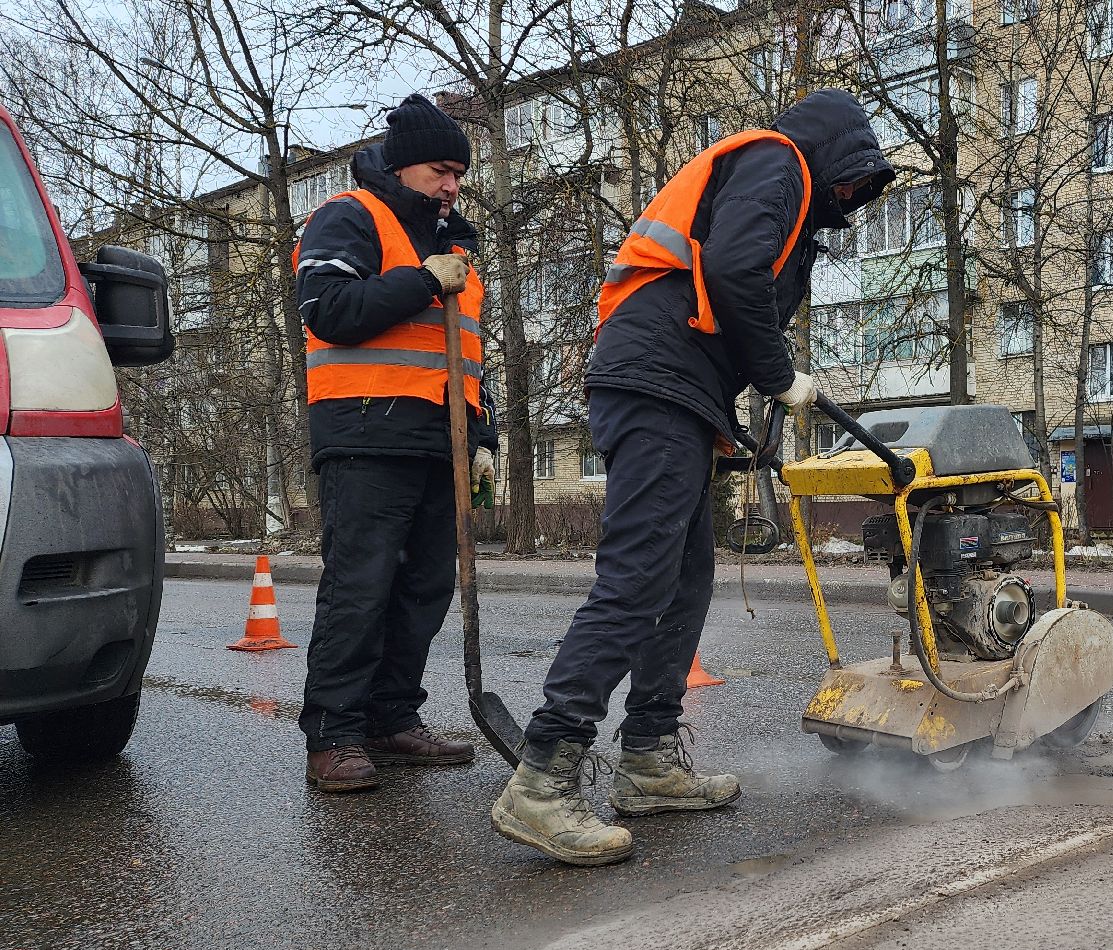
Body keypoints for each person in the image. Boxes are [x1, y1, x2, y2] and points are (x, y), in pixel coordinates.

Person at [490, 89, 895, 865]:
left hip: (676, 385)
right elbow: (735, 267)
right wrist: (779, 376)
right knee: (638, 576)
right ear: (839, 153)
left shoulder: (785, 189)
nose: (848, 201)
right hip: (655, 380)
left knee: (683, 580)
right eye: (852, 184)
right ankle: (542, 779)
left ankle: (646, 757)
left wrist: (755, 394)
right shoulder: (779, 162)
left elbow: (738, 291)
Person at [294, 94, 499, 793]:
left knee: (422, 588)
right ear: (403, 165)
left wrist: (484, 435)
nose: (452, 186)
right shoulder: (349, 217)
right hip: (365, 434)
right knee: (361, 586)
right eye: (441, 171)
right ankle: (335, 733)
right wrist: (419, 279)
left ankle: (389, 718)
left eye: (459, 175)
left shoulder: (456, 247)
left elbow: (465, 355)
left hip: (439, 441)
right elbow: (332, 313)